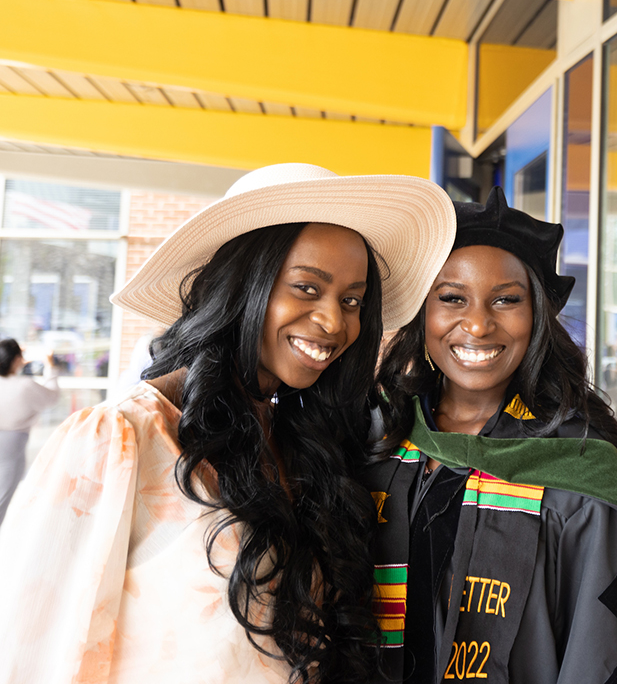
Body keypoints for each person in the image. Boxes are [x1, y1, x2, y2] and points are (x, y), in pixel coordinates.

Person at [0, 163, 455, 684]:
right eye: (307, 288)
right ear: (242, 284)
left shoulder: (301, 445)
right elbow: (26, 652)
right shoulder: (120, 439)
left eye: (352, 301)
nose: (334, 322)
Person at [368, 188, 617, 684]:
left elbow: (612, 656)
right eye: (451, 298)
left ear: (536, 318)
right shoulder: (380, 442)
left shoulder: (580, 475)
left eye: (506, 300)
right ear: (422, 315)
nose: (477, 323)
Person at [0, 338, 59, 524]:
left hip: (11, 445)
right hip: (11, 448)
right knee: (2, 497)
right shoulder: (24, 386)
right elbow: (52, 397)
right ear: (17, 360)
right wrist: (50, 366)